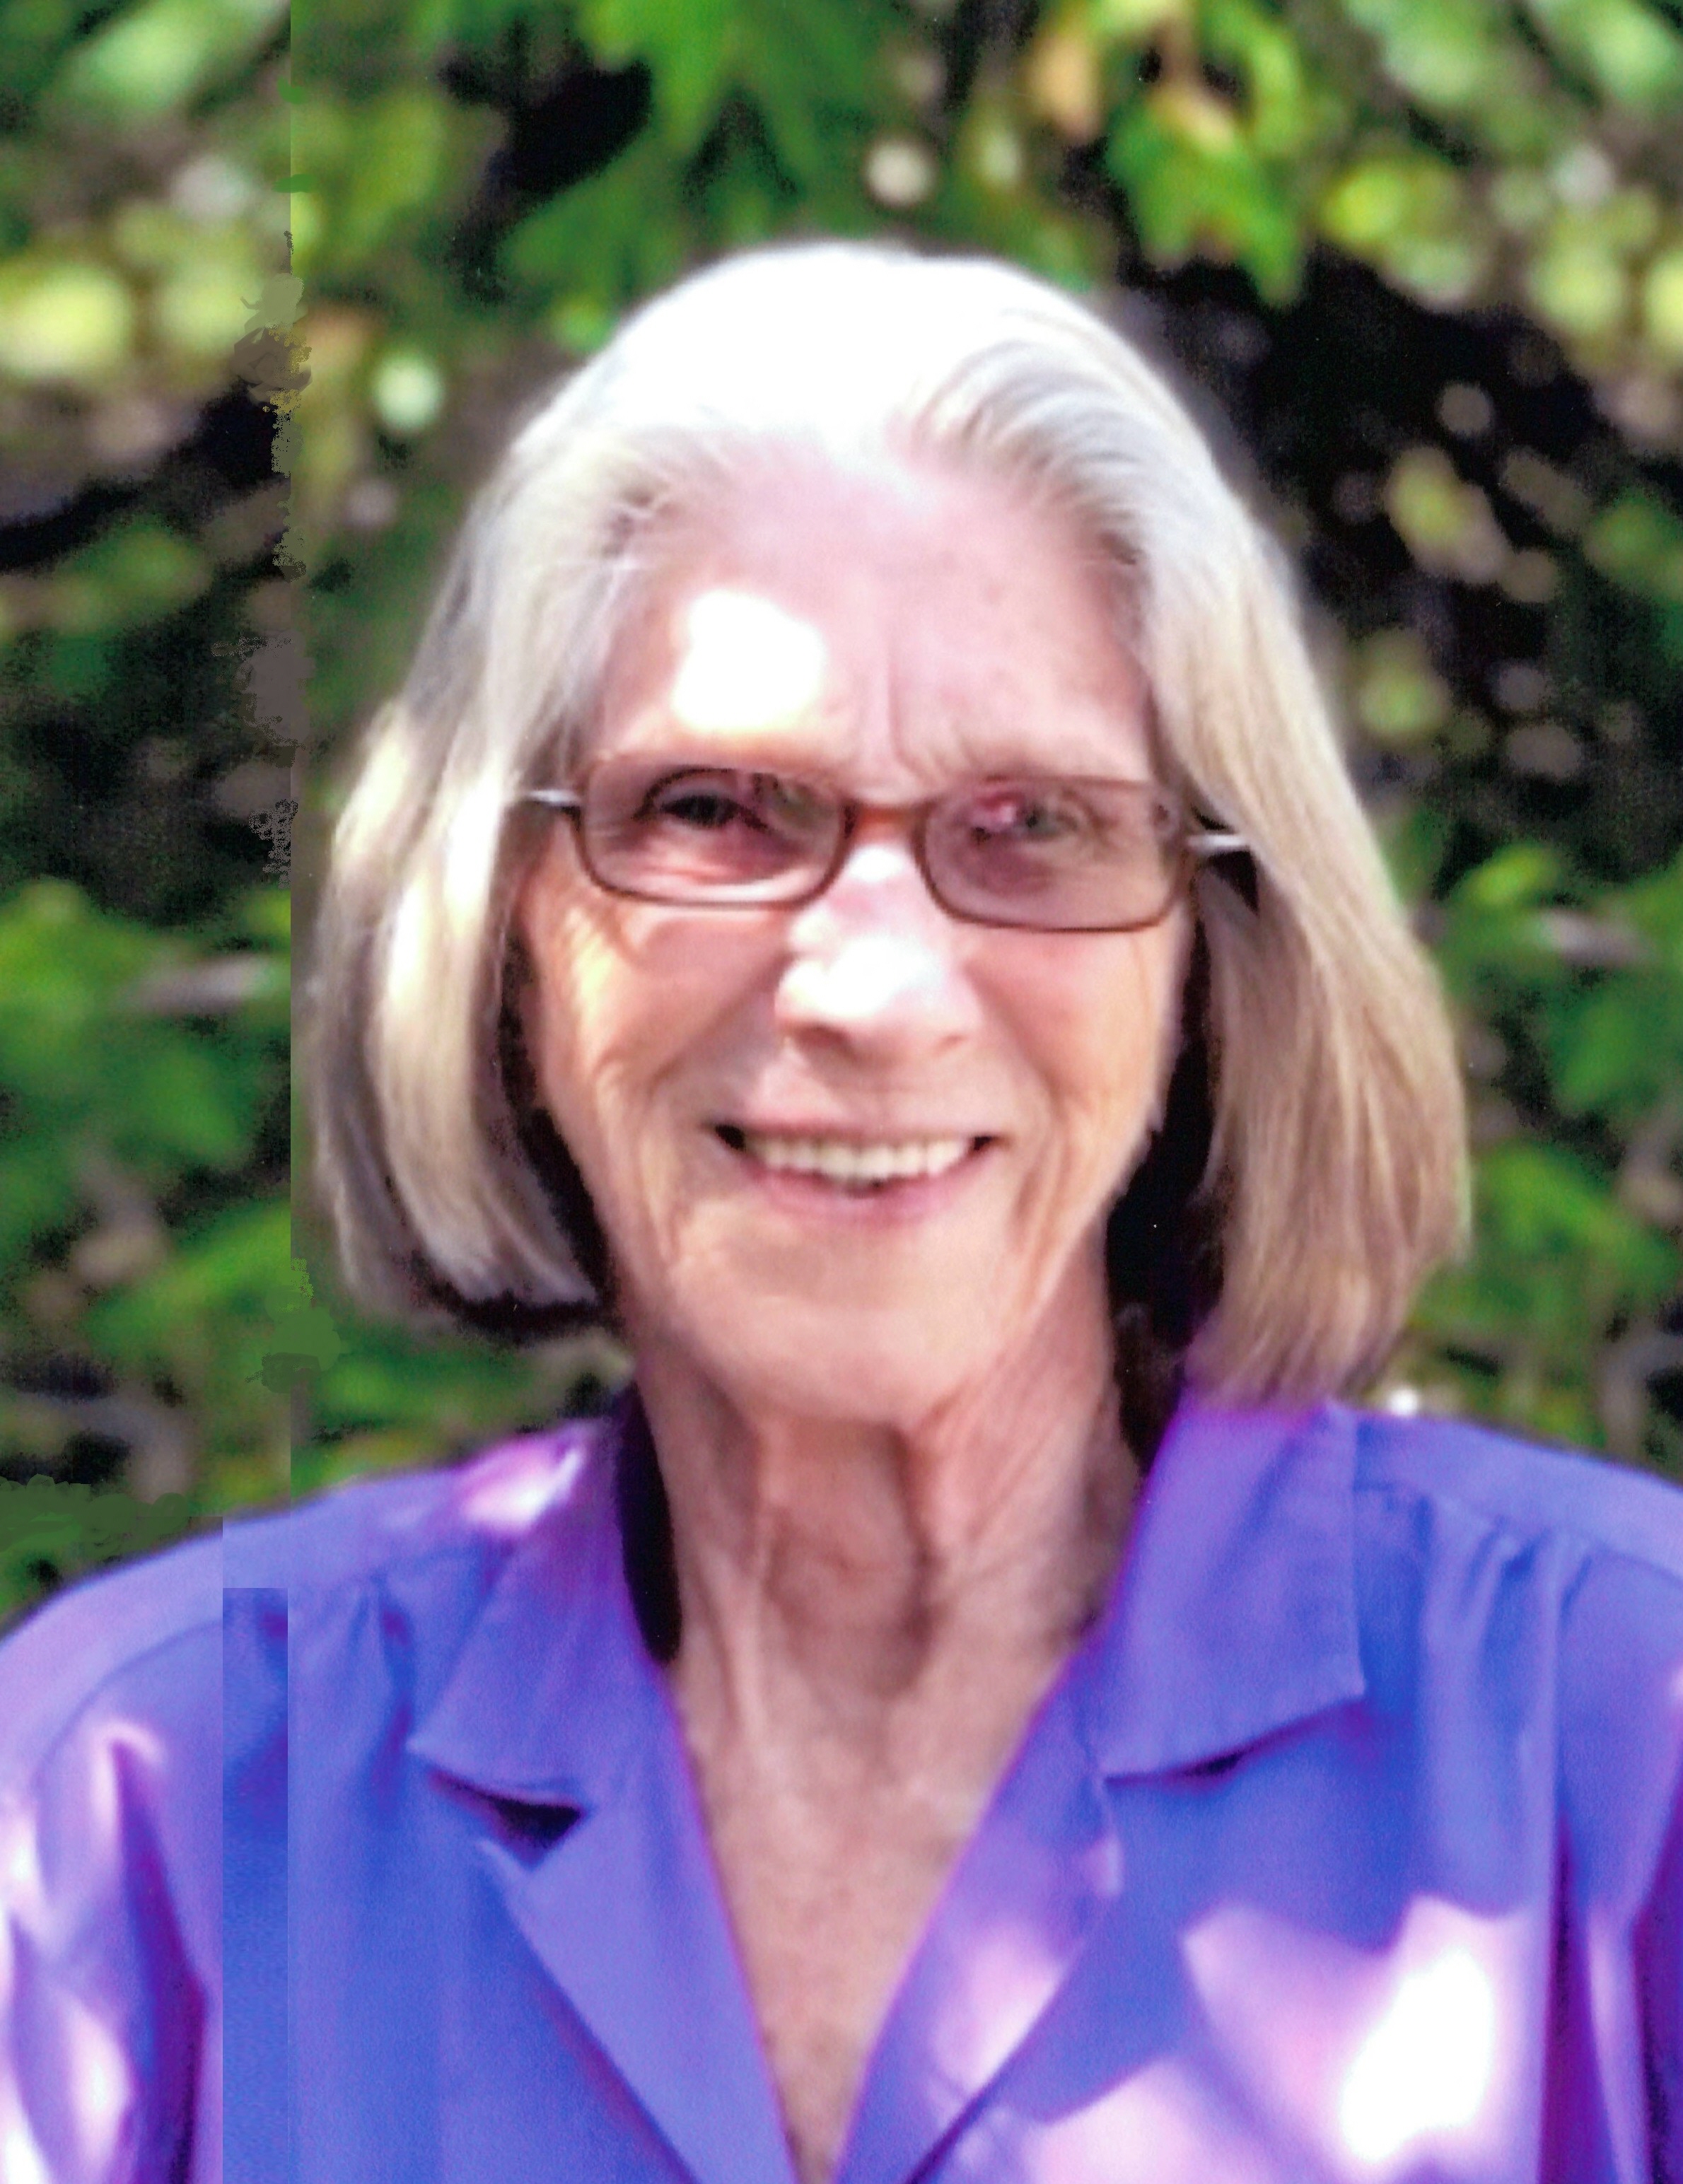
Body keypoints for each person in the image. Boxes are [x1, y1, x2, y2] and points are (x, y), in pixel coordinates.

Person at [2, 239, 1680, 2184]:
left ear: (1216, 947)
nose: (872, 992)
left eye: (1034, 826)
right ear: (504, 919)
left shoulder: (1619, 1731)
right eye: (714, 810)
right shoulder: (135, 1804)